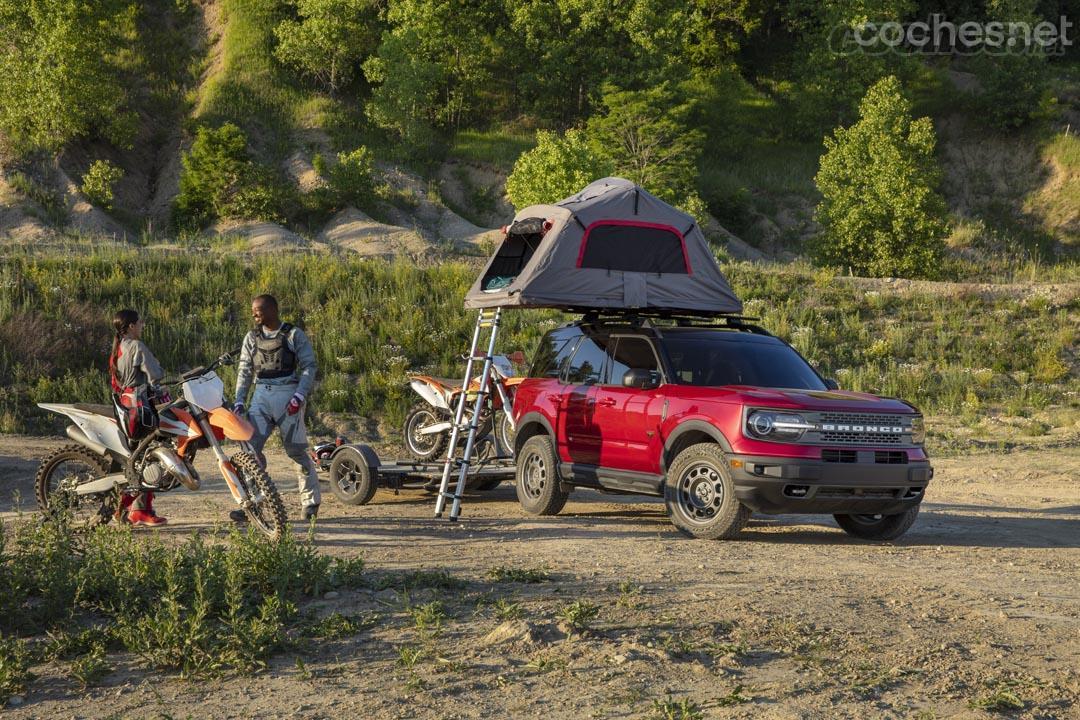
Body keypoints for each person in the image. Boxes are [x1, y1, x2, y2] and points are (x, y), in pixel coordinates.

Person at [229, 294, 321, 522]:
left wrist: (299, 395)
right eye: (253, 310)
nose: (254, 314)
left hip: (288, 395)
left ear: (272, 309)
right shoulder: (251, 337)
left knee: (296, 451)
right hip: (261, 396)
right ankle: (252, 502)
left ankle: (310, 502)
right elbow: (245, 370)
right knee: (249, 452)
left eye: (258, 310)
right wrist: (239, 400)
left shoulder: (293, 334)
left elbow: (309, 366)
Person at [108, 309, 168, 527]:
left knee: (138, 457)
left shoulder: (118, 348)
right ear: (131, 326)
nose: (142, 325)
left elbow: (116, 381)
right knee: (149, 457)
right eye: (140, 322)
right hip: (140, 408)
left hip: (125, 406)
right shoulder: (137, 347)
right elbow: (156, 374)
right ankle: (128, 508)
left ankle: (141, 509)